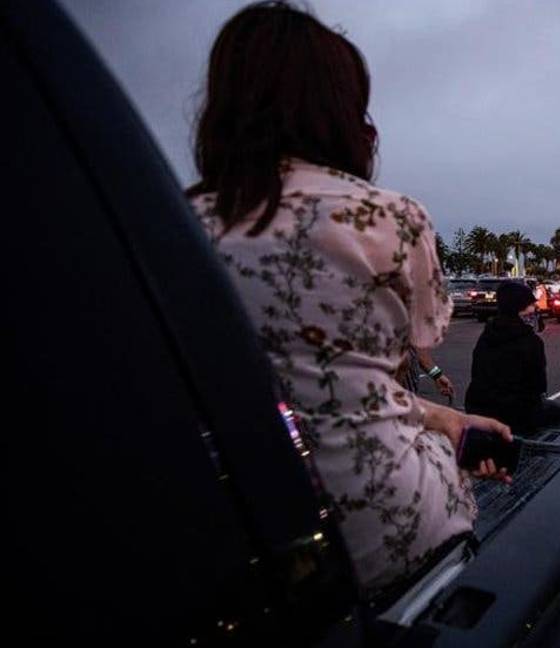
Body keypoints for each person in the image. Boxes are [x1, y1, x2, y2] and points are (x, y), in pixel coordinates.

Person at [186, 2, 510, 592]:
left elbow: (301, 387)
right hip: (375, 525)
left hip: (228, 523)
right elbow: (362, 387)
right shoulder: (390, 218)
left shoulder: (177, 224)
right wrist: (446, 423)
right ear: (341, 112)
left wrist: (447, 417)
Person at [465, 282, 560, 436]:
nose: (535, 309)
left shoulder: (487, 335)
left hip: (477, 407)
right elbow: (538, 386)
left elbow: (477, 373)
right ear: (519, 307)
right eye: (531, 305)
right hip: (516, 415)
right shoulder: (531, 342)